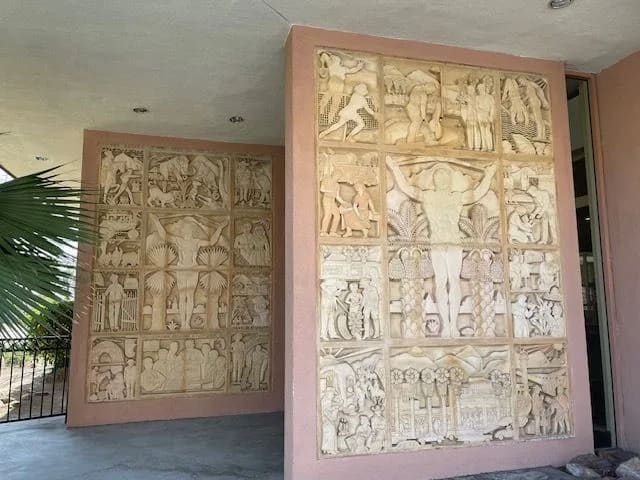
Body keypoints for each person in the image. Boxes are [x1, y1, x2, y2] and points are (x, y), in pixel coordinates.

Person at [386, 157, 496, 336]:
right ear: (435, 180)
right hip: (437, 243)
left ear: (449, 181)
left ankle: (453, 326)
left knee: (454, 282)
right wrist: (394, 168)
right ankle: (446, 326)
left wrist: (490, 175)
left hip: (454, 243)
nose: (443, 179)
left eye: (446, 177)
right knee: (440, 282)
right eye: (439, 176)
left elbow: (478, 193)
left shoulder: (456, 197)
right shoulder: (429, 196)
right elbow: (406, 188)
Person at [149, 214, 227, 329]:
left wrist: (220, 228)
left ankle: (187, 323)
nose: (186, 230)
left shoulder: (196, 242)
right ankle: (183, 323)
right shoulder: (179, 240)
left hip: (193, 269)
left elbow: (211, 242)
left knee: (190, 296)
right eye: (185, 228)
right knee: (182, 296)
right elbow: (164, 236)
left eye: (188, 228)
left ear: (192, 230)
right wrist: (157, 222)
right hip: (181, 268)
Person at [318, 52, 364, 124]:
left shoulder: (343, 68)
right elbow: (324, 56)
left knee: (335, 102)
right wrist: (328, 56)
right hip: (334, 82)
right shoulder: (332, 65)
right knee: (327, 97)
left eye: (338, 60)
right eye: (336, 59)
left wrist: (359, 66)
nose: (337, 60)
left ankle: (330, 119)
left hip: (340, 85)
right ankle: (321, 111)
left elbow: (353, 70)